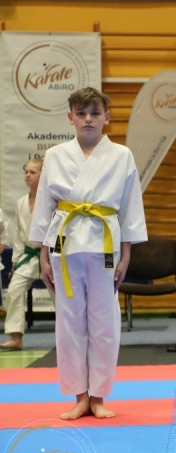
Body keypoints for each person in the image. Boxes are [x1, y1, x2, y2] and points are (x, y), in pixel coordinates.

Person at [29, 87, 148, 420]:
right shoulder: (55, 155)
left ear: (106, 117)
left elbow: (130, 207)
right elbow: (45, 206)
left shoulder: (122, 155)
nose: (88, 119)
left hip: (104, 244)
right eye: (81, 113)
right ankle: (79, 396)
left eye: (95, 113)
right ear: (70, 117)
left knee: (104, 322)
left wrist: (126, 255)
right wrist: (42, 254)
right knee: (69, 323)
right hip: (63, 243)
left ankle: (98, 396)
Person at [0, 159, 44, 351]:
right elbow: (19, 234)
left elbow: (62, 232)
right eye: (26, 171)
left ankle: (70, 339)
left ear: (43, 174)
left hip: (50, 258)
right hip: (29, 256)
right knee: (14, 291)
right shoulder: (21, 203)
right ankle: (16, 337)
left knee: (61, 299)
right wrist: (16, 260)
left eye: (33, 172)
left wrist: (57, 257)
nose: (27, 175)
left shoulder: (53, 201)